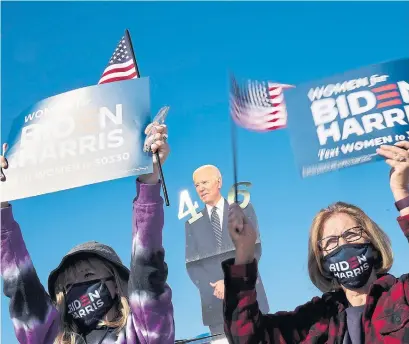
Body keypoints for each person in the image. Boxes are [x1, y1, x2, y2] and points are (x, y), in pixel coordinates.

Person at [0, 122, 175, 344]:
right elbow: (20, 287)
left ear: (116, 284)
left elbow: (147, 266)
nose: (81, 288)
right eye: (70, 284)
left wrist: (149, 180)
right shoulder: (51, 339)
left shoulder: (142, 333)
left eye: (89, 277)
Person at [223, 141, 409, 344]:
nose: (343, 244)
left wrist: (402, 193)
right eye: (330, 242)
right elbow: (248, 338)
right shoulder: (315, 319)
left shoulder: (402, 295)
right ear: (321, 260)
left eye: (352, 234)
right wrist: (244, 252)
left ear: (372, 241)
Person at [185, 164, 269, 338]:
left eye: (204, 182)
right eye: (197, 185)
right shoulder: (192, 224)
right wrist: (216, 286)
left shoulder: (243, 210)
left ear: (219, 182)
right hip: (216, 309)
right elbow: (193, 266)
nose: (201, 188)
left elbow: (254, 249)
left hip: (250, 299)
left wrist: (230, 281)